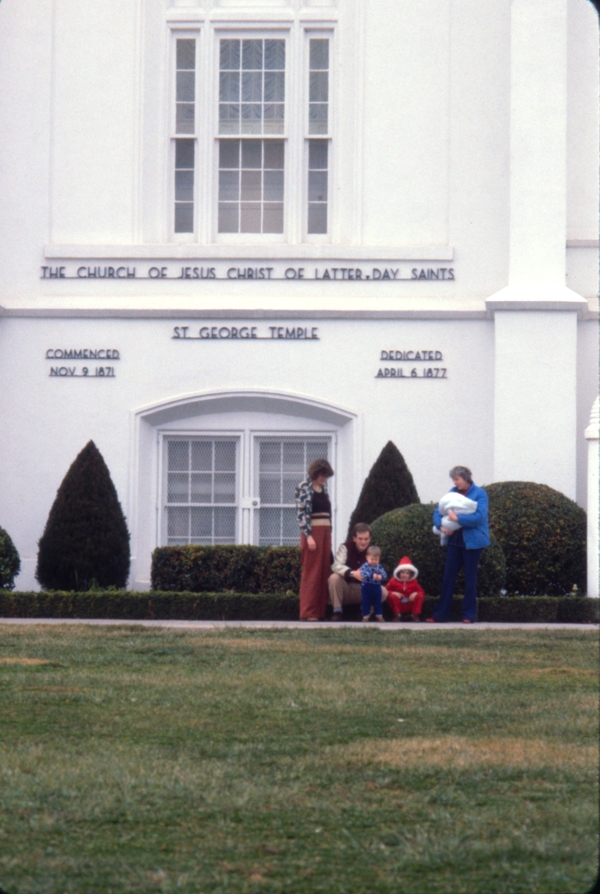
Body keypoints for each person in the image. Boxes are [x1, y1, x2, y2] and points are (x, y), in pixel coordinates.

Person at [427, 466, 490, 624]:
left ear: (466, 478)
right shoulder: (452, 492)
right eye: (453, 479)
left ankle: (468, 615)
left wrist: (458, 520)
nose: (455, 482)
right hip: (455, 540)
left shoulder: (480, 494)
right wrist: (441, 527)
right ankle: (441, 614)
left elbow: (479, 517)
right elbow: (438, 510)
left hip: (473, 542)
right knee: (448, 577)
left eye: (457, 479)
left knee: (470, 579)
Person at [295, 458, 334, 620]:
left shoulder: (323, 489)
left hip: (325, 532)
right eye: (322, 475)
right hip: (313, 533)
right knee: (312, 572)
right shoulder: (303, 488)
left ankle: (320, 611)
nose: (324, 478)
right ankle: (308, 612)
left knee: (324, 570)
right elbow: (301, 514)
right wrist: (308, 536)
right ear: (316, 472)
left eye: (326, 476)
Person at [328, 523, 389, 620]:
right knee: (334, 578)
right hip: (344, 587)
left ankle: (365, 614)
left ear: (370, 539)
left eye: (366, 539)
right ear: (354, 538)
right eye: (360, 539)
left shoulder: (372, 552)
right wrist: (352, 573)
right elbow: (336, 566)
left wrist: (371, 576)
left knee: (383, 591)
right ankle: (337, 612)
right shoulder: (345, 548)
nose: (363, 542)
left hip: (362, 589)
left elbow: (379, 571)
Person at [386, 555, 425, 622]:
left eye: (407, 573)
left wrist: (415, 593)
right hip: (398, 603)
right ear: (399, 573)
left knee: (419, 596)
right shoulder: (393, 581)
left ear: (410, 575)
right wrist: (393, 592)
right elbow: (386, 590)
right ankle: (397, 615)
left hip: (409, 603)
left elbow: (421, 592)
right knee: (391, 596)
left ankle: (415, 615)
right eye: (402, 573)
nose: (404, 575)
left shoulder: (414, 582)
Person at [359, 545, 387, 622]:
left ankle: (379, 616)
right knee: (366, 602)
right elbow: (363, 573)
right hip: (367, 587)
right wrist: (372, 575)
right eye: (372, 559)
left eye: (376, 559)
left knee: (378, 602)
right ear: (367, 557)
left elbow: (384, 574)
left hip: (376, 587)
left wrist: (381, 577)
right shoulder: (365, 566)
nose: (374, 561)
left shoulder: (379, 567)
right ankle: (365, 616)